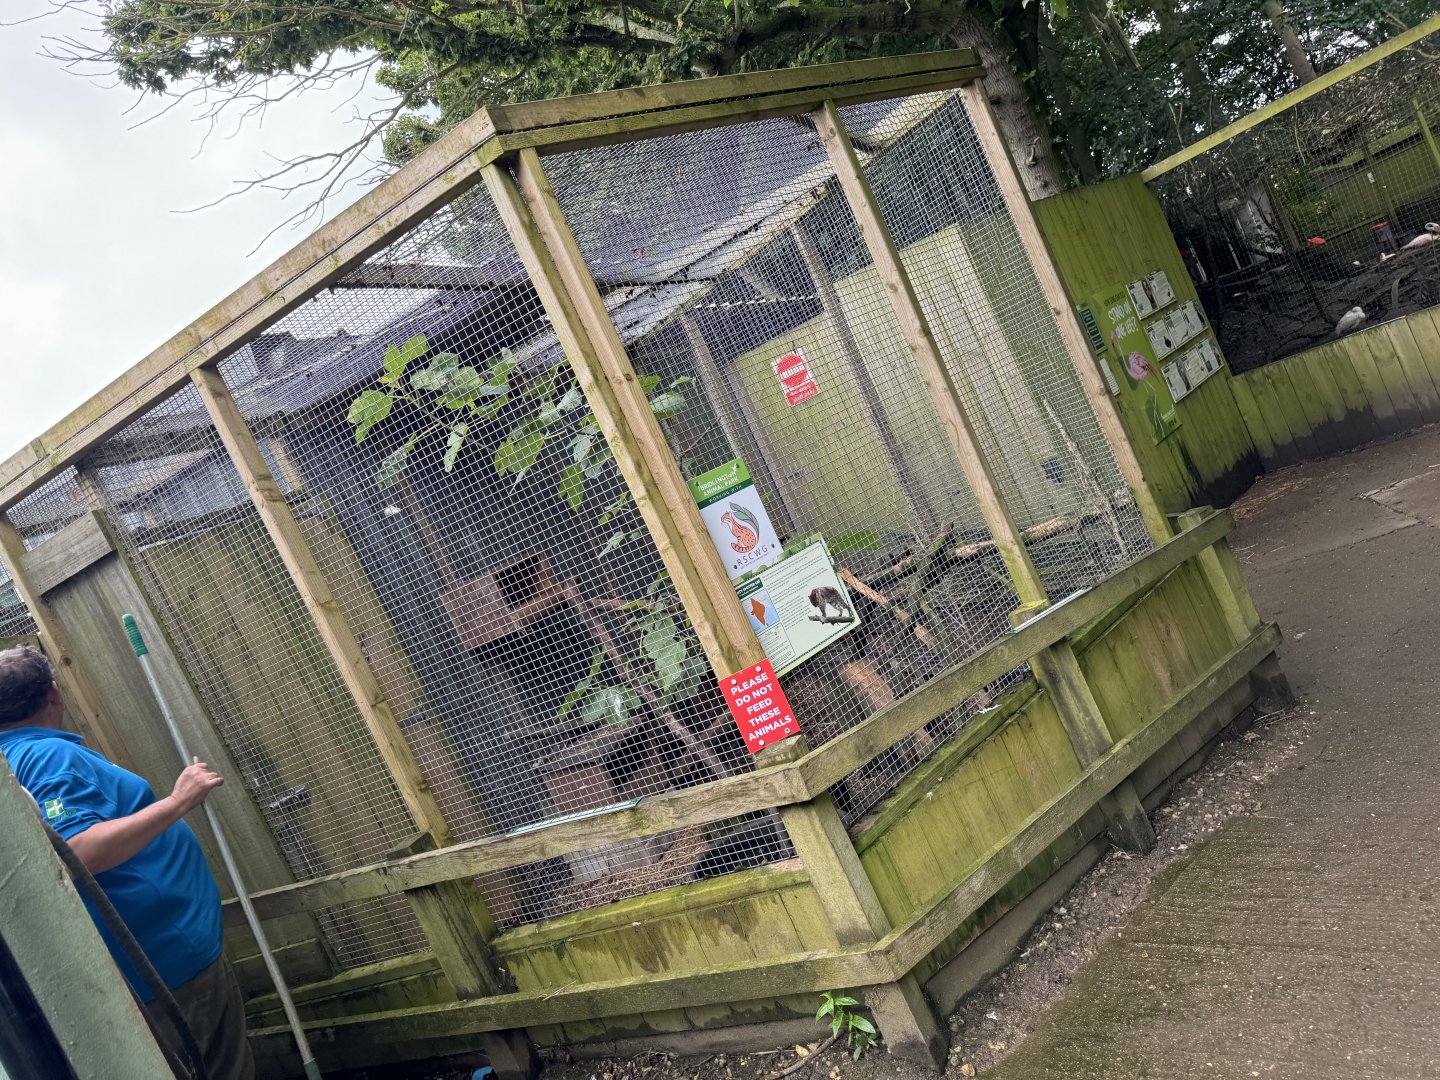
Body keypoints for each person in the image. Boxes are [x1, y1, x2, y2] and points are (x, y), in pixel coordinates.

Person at [0, 645, 254, 1080]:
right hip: (170, 972)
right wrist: (178, 802)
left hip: (149, 968)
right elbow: (78, 850)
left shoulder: (14, 760)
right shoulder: (47, 757)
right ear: (54, 695)